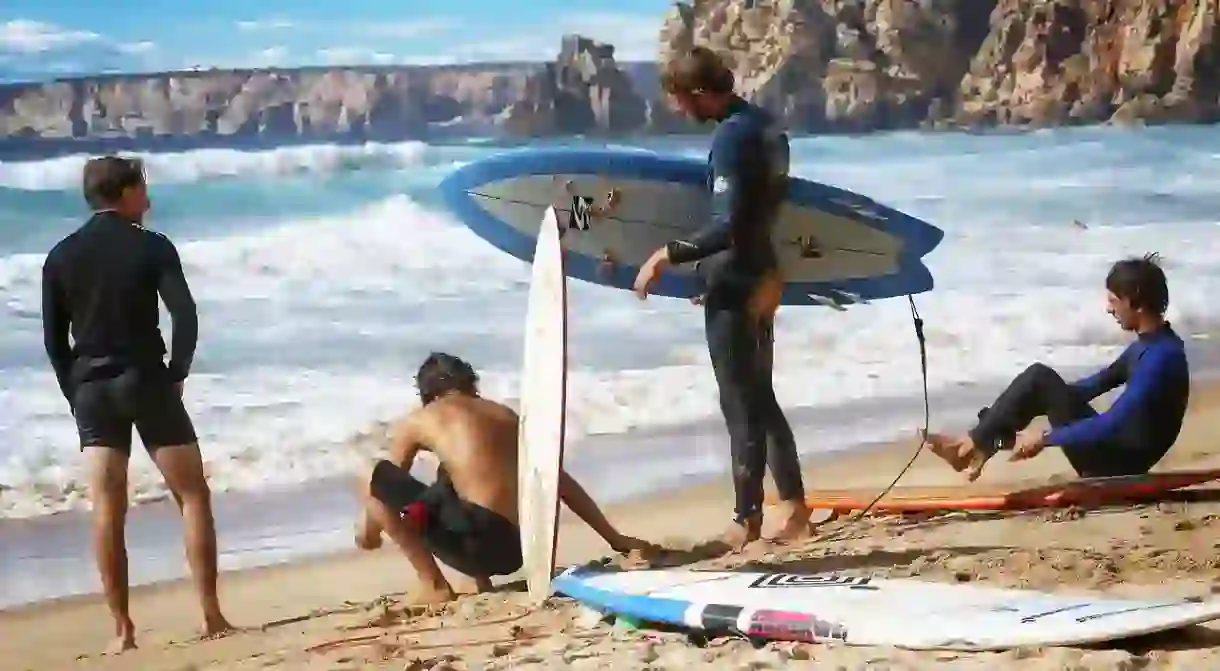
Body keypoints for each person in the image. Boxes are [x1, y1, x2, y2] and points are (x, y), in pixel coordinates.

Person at [41, 156, 231, 653]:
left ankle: (123, 630)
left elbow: (54, 341)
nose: (147, 199)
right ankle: (211, 614)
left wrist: (74, 392)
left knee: (106, 509)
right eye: (142, 188)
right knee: (191, 495)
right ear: (125, 192)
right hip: (145, 379)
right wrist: (178, 373)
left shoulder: (60, 256)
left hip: (92, 390)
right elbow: (184, 315)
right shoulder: (152, 247)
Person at [631, 46, 809, 550]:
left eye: (682, 100)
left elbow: (730, 225)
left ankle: (745, 520)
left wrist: (668, 254)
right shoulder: (767, 127)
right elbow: (761, 213)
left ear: (703, 93)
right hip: (762, 272)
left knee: (741, 404)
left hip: (739, 280)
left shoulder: (731, 138)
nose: (679, 110)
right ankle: (793, 510)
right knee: (759, 396)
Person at [355, 352, 654, 604]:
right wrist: (615, 539)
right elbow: (556, 478)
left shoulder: (423, 418)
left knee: (372, 474)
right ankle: (481, 581)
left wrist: (369, 532)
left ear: (427, 394)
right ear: (470, 383)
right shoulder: (505, 415)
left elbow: (384, 487)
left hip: (475, 545)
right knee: (455, 475)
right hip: (517, 550)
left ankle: (432, 584)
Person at [924, 254, 1189, 481]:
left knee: (1040, 378)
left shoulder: (1161, 358)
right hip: (1118, 455)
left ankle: (970, 447)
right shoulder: (1152, 345)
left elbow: (1114, 423)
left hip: (1117, 465)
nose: (1109, 309)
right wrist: (1025, 406)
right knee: (1040, 382)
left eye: (1113, 301)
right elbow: (1092, 386)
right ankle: (980, 444)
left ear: (1137, 303)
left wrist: (1046, 437)